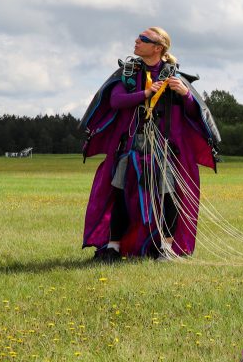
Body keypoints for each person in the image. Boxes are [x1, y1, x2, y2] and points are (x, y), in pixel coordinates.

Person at [80, 27, 220, 262]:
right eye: (138, 37)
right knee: (120, 192)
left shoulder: (174, 77)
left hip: (165, 148)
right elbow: (115, 101)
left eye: (143, 39)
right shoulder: (127, 73)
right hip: (131, 145)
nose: (137, 41)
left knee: (168, 196)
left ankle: (164, 247)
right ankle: (112, 247)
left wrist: (185, 94)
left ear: (158, 48)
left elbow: (194, 113)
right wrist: (146, 92)